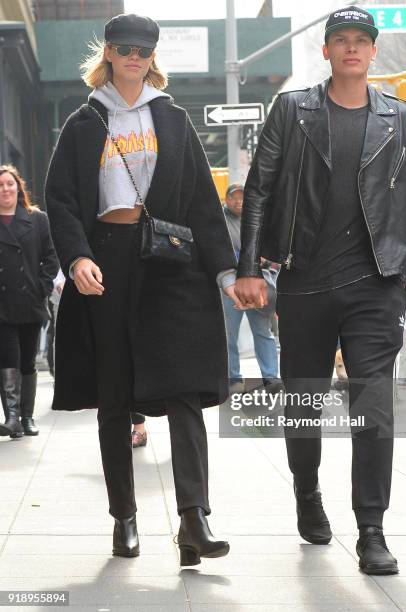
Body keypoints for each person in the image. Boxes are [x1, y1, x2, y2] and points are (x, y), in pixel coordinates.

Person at [235, 6, 406, 575]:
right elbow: (259, 186)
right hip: (304, 281)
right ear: (325, 51)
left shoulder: (400, 118)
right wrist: (249, 267)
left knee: (374, 407)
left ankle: (372, 529)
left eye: (360, 41)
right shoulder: (293, 110)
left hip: (373, 287)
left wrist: (400, 267)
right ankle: (306, 491)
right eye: (340, 40)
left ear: (372, 53)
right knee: (304, 405)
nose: (350, 49)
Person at [45, 13, 240, 566]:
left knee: (184, 391)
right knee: (115, 395)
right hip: (107, 262)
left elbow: (204, 201)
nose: (135, 56)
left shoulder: (173, 120)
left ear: (154, 58)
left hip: (169, 263)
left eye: (144, 49)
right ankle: (124, 519)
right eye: (125, 47)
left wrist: (226, 273)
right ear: (108, 52)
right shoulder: (83, 123)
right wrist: (78, 255)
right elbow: (59, 199)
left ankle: (194, 519)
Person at [0, 165, 59, 438]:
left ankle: (26, 417)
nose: (5, 189)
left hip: (30, 301)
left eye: (9, 184)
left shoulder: (37, 219)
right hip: (2, 304)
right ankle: (12, 417)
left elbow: (51, 257)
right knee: (8, 357)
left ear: (18, 187)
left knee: (27, 361)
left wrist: (42, 287)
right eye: (0, 186)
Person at [221, 183, 280, 393]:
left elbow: (273, 250)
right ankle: (233, 378)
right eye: (234, 197)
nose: (239, 201)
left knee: (263, 331)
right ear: (226, 199)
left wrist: (263, 258)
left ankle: (271, 377)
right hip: (230, 286)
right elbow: (220, 252)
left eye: (242, 197)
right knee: (229, 335)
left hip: (256, 283)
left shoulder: (257, 217)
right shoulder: (220, 220)